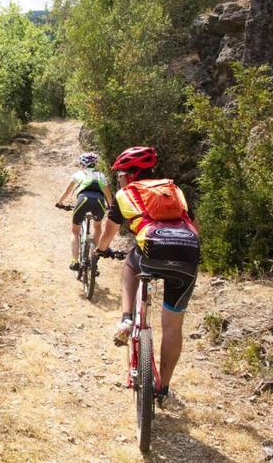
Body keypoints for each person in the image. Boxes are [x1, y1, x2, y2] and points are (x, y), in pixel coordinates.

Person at [95, 146, 200, 407]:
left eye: (120, 174)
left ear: (130, 175)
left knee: (131, 263)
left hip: (151, 253)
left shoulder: (126, 194)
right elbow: (194, 226)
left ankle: (127, 319)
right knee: (173, 327)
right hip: (188, 253)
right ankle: (163, 389)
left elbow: (109, 232)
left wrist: (101, 250)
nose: (119, 179)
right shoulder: (174, 190)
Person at [56, 152, 113, 271]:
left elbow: (67, 192)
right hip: (99, 202)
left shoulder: (78, 174)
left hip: (83, 200)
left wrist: (60, 203)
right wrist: (110, 206)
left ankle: (75, 261)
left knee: (75, 232)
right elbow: (108, 196)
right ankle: (94, 259)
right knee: (97, 228)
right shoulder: (101, 176)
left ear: (82, 164)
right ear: (95, 164)